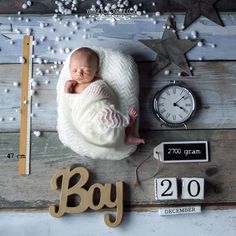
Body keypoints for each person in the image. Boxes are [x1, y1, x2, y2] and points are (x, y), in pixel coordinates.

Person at [64, 47, 144, 145]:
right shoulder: (74, 87)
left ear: (96, 72)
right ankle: (127, 121)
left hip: (100, 112)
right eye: (74, 70)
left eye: (86, 70)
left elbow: (106, 96)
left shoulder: (98, 83)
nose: (79, 74)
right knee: (107, 115)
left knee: (108, 113)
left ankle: (128, 134)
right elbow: (71, 103)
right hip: (86, 121)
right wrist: (67, 90)